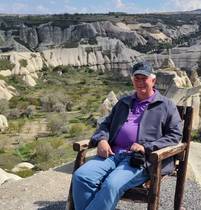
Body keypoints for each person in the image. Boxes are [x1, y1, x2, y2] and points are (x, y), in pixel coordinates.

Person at [72, 61, 183, 210]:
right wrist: (102, 139)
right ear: (132, 81)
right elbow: (105, 125)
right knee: (81, 177)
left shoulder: (166, 105)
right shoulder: (123, 103)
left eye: (144, 78)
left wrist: (146, 147)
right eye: (137, 78)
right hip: (111, 154)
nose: (140, 82)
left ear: (153, 80)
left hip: (139, 160)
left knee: (111, 185)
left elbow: (175, 135)